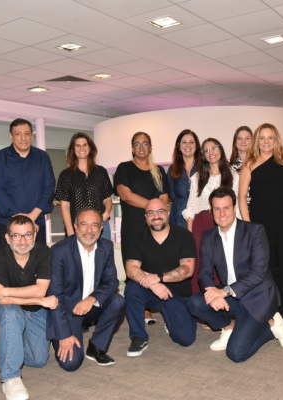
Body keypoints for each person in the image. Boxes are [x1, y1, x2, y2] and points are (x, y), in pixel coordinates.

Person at [187, 188, 283, 363]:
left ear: (235, 208)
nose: (222, 213)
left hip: (257, 297)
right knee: (195, 303)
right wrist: (212, 293)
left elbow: (258, 273)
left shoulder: (255, 231)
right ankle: (229, 328)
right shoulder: (208, 236)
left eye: (226, 208)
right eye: (217, 209)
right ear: (212, 211)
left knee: (236, 354)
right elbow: (204, 272)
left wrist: (224, 292)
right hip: (231, 296)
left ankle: (271, 325)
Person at [239, 123, 283, 339]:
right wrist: (249, 227)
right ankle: (276, 321)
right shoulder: (249, 164)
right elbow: (241, 198)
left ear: (276, 140)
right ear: (257, 141)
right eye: (262, 138)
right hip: (261, 225)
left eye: (270, 138)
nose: (266, 142)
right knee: (269, 273)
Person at [0, 215, 58, 400]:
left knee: (38, 360)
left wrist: (6, 291)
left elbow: (40, 290)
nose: (23, 241)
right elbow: (3, 301)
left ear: (35, 235)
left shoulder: (44, 252)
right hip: (8, 309)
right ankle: (10, 378)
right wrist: (40, 301)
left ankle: (8, 341)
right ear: (7, 237)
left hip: (35, 311)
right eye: (16, 236)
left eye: (28, 235)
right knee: (11, 312)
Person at [46, 207, 125, 371]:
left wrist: (91, 298)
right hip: (67, 311)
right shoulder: (59, 250)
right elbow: (55, 296)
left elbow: (111, 281)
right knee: (71, 364)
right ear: (75, 226)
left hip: (91, 306)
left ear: (101, 228)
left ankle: (96, 346)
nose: (89, 230)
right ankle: (67, 334)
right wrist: (64, 335)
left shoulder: (106, 247)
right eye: (84, 224)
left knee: (118, 302)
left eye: (94, 225)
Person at [124, 198, 197, 357]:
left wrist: (158, 278)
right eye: (151, 213)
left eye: (160, 211)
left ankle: (170, 320)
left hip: (177, 294)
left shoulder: (184, 235)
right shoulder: (137, 238)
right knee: (132, 288)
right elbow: (131, 269)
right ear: (145, 216)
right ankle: (138, 336)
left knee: (186, 339)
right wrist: (153, 284)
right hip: (150, 291)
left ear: (168, 213)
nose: (156, 216)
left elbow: (187, 269)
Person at [114, 132, 169, 324]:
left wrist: (155, 213)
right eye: (137, 144)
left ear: (150, 147)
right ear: (132, 148)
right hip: (133, 226)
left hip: (156, 226)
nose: (141, 147)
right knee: (134, 267)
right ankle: (140, 309)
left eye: (145, 144)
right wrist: (154, 208)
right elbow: (126, 195)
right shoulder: (124, 168)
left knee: (156, 264)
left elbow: (165, 198)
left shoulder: (158, 170)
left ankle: (159, 305)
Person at [182, 138, 240, 294]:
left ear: (221, 150)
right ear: (203, 155)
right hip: (201, 224)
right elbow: (191, 207)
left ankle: (223, 300)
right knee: (200, 264)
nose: (211, 153)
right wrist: (189, 235)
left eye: (214, 148)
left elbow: (236, 205)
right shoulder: (197, 177)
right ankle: (200, 301)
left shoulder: (233, 176)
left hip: (224, 223)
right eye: (206, 150)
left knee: (223, 262)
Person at [0, 118, 55, 251]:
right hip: (6, 224)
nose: (23, 138)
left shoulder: (43, 157)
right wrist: (24, 221)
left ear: (31, 136)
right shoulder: (0, 158)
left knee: (37, 262)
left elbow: (49, 188)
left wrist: (32, 218)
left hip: (36, 223)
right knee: (5, 263)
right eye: (18, 134)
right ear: (11, 136)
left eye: (27, 133)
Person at [55, 132, 113, 240]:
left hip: (101, 226)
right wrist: (70, 231)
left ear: (90, 147)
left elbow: (108, 199)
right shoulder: (66, 175)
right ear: (73, 149)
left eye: (85, 145)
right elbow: (65, 206)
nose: (82, 148)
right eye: (78, 145)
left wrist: (106, 213)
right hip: (77, 228)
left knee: (104, 251)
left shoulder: (101, 172)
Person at [166, 129, 202, 228]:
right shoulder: (172, 169)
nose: (188, 145)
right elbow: (171, 194)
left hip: (200, 215)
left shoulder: (204, 167)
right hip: (179, 217)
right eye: (184, 142)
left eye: (191, 142)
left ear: (196, 146)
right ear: (179, 145)